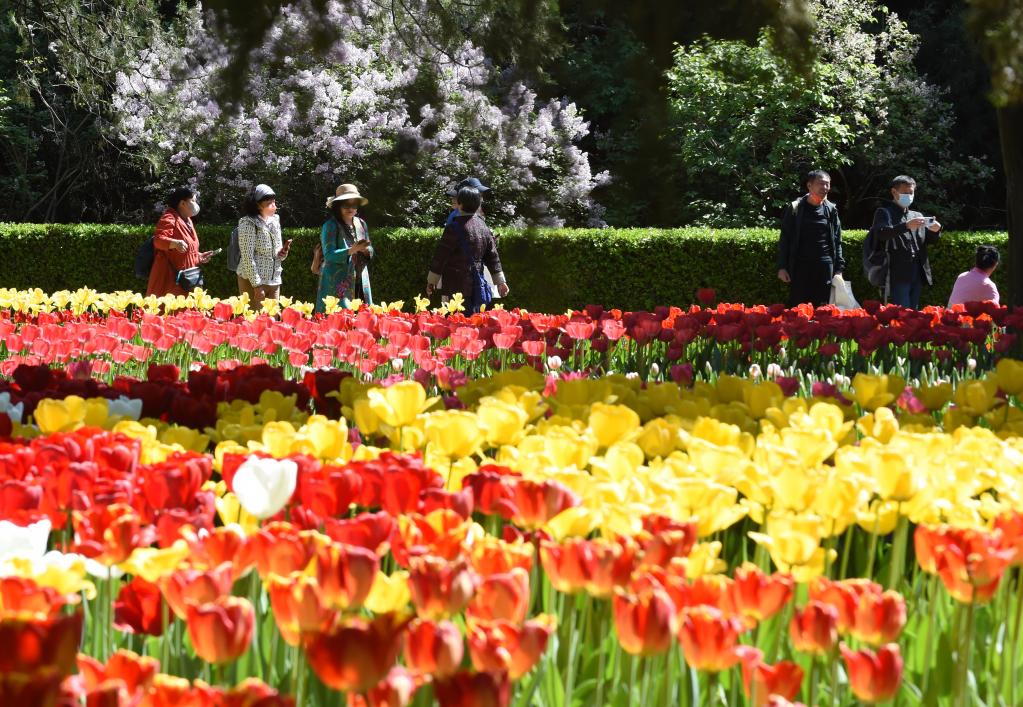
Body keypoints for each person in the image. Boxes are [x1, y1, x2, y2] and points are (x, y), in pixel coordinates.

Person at [427, 186, 509, 312]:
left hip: (454, 286)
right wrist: (500, 282)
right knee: (474, 323)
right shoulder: (484, 227)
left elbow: (441, 256)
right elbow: (493, 257)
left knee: (453, 322)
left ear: (459, 204)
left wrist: (432, 281)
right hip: (477, 286)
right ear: (478, 205)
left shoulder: (453, 228)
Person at [868, 175, 942, 309]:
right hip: (897, 271)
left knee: (914, 311)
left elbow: (928, 241)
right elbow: (881, 234)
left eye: (911, 193)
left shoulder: (917, 215)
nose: (909, 196)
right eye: (905, 193)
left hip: (917, 269)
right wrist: (905, 226)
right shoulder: (884, 213)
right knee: (903, 312)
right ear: (894, 192)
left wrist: (935, 230)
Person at [776, 170, 846, 307]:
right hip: (800, 266)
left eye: (827, 184)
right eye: (821, 184)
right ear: (809, 185)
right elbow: (785, 238)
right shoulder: (795, 208)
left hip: (825, 267)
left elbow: (837, 241)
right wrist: (782, 267)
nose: (825, 188)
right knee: (798, 308)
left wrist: (839, 269)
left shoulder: (831, 210)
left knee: (823, 309)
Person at [146, 187, 216, 297]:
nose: (196, 204)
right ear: (182, 203)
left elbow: (188, 250)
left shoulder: (188, 220)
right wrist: (174, 243)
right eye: (193, 201)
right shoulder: (169, 218)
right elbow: (158, 240)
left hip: (188, 278)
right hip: (170, 280)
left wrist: (199, 256)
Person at [315, 184, 373, 313]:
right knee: (336, 319)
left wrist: (365, 250)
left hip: (360, 277)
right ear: (338, 206)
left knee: (362, 318)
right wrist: (351, 250)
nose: (351, 208)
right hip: (336, 281)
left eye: (354, 205)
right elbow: (329, 255)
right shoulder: (330, 225)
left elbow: (371, 249)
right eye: (346, 205)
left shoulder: (361, 223)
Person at [236, 184, 291, 307]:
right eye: (269, 203)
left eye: (274, 202)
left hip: (274, 280)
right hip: (252, 281)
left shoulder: (275, 220)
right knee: (254, 322)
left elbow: (277, 252)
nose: (274, 206)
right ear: (257, 205)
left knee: (273, 320)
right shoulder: (247, 223)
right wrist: (257, 285)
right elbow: (247, 257)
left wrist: (283, 253)